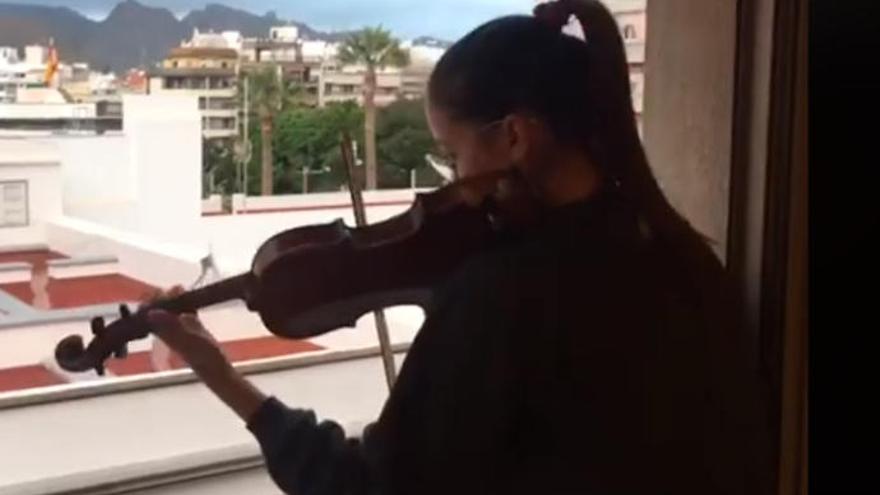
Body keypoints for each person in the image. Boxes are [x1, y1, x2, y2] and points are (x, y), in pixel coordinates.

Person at [146, 1, 773, 493]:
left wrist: (224, 379)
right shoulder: (680, 258)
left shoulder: (506, 295)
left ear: (516, 138)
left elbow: (368, 490)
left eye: (453, 154)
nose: (449, 188)